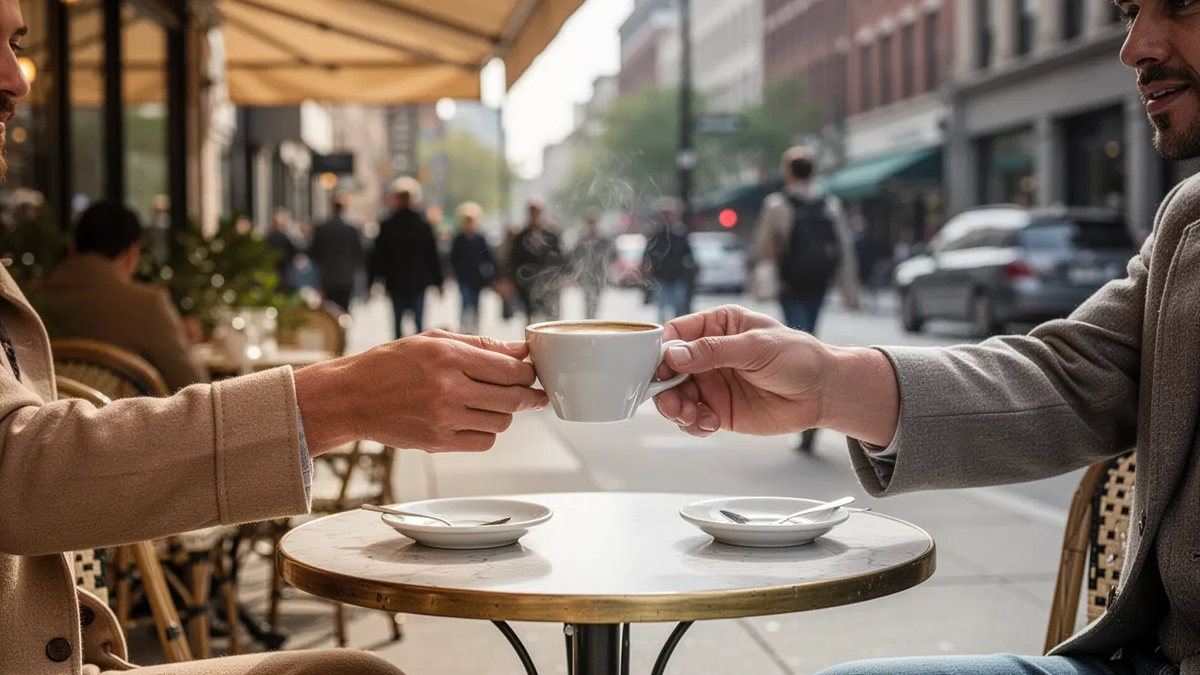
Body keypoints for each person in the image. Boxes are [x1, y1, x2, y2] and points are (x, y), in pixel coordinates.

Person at [0, 4, 550, 672]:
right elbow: (17, 471)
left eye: (17, 43)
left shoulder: (40, 283)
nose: (18, 79)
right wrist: (344, 398)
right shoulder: (141, 302)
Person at [654, 5, 1200, 674]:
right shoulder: (1189, 215)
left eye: (1181, 3)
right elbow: (1071, 375)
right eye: (1127, 10)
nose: (1133, 46)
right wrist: (826, 384)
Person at [39, 200, 208, 392]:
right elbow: (195, 386)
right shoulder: (147, 305)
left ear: (73, 247)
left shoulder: (30, 298)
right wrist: (181, 338)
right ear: (132, 253)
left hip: (50, 409)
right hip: (124, 412)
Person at [753, 146, 860, 335]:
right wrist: (850, 290)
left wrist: (760, 274)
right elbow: (844, 248)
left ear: (788, 173)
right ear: (813, 174)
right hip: (820, 278)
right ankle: (806, 350)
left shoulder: (777, 204)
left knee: (798, 331)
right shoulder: (830, 204)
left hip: (790, 281)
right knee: (809, 328)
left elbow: (762, 245)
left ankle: (803, 352)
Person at [369, 177, 444, 338]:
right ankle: (418, 352)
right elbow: (432, 255)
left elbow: (378, 256)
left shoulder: (388, 224)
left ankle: (399, 351)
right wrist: (439, 281)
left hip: (396, 281)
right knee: (419, 325)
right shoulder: (423, 224)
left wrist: (373, 281)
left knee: (397, 324)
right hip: (418, 281)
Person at [505, 197, 564, 324]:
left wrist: (561, 277)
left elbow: (560, 258)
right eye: (531, 212)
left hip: (548, 283)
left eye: (537, 212)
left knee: (551, 319)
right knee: (530, 320)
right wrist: (510, 280)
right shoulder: (520, 237)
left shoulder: (551, 235)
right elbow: (512, 260)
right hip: (526, 284)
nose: (534, 216)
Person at [310, 195, 366, 314]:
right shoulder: (352, 229)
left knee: (329, 312)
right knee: (344, 310)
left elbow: (314, 253)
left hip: (327, 276)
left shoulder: (323, 228)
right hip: (346, 277)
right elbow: (360, 253)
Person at [642, 198, 695, 325]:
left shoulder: (680, 235)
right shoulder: (656, 235)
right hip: (661, 278)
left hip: (677, 276)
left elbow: (688, 255)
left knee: (679, 310)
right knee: (662, 310)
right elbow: (648, 254)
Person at [449, 202, 497, 335]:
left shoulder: (480, 238)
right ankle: (464, 329)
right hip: (463, 277)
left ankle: (475, 330)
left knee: (475, 304)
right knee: (465, 303)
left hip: (477, 278)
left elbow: (489, 257)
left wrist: (494, 276)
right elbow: (452, 258)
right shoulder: (459, 238)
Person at [569, 211, 614, 320]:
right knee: (588, 301)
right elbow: (575, 258)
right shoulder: (582, 240)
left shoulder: (603, 240)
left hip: (599, 276)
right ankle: (589, 320)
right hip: (586, 277)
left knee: (596, 301)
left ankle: (593, 320)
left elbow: (610, 256)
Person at [266, 208, 299, 293]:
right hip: (283, 273)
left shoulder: (268, 238)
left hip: (273, 273)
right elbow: (293, 254)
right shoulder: (284, 239)